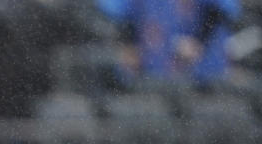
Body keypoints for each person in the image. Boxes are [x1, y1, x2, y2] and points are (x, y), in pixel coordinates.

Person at [98, 0, 241, 87]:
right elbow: (118, 14)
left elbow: (221, 9)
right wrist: (129, 46)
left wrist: (199, 42)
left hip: (204, 76)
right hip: (151, 71)